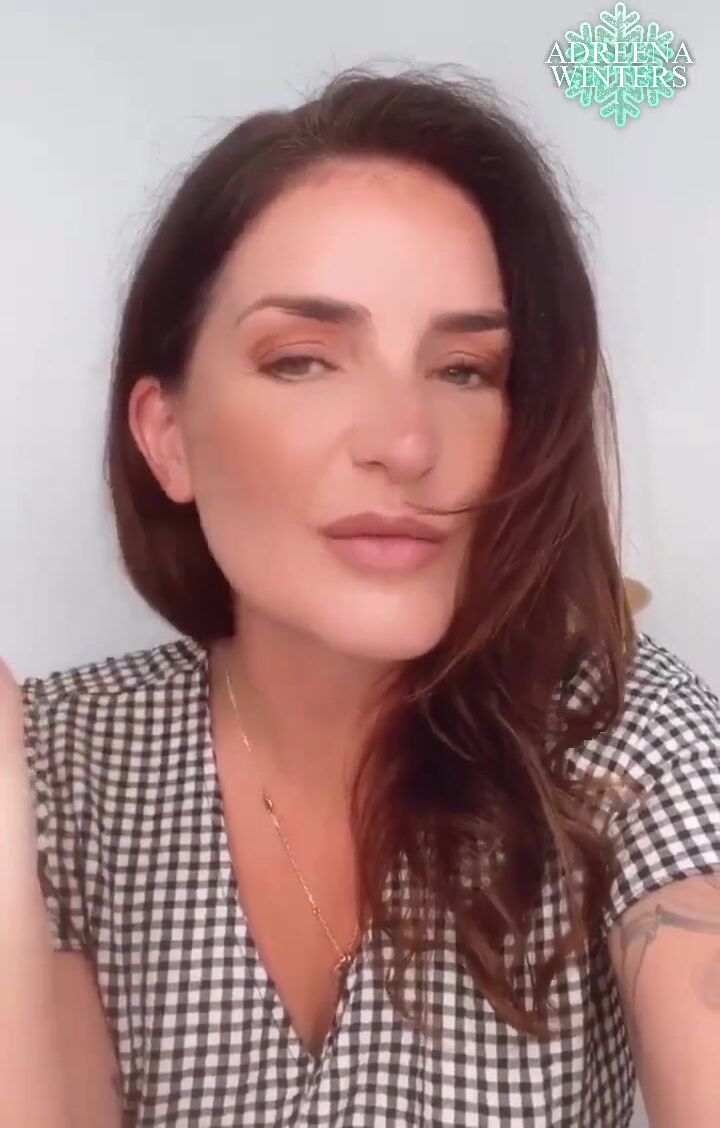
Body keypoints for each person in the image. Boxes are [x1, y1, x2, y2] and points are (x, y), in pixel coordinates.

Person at [2, 62, 720, 1128]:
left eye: (467, 370)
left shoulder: (619, 734)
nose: (407, 442)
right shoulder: (53, 767)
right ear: (167, 437)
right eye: (303, 361)